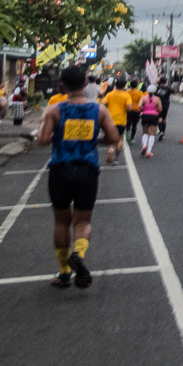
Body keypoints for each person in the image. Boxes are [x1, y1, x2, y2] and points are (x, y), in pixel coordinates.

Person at [37, 64, 120, 289]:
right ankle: (79, 253)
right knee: (83, 221)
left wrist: (59, 136)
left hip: (60, 170)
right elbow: (113, 137)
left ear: (62, 86)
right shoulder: (99, 111)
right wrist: (94, 140)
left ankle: (64, 271)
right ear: (86, 83)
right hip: (87, 170)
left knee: (61, 221)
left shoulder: (54, 110)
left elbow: (42, 140)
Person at [101, 78, 133, 165]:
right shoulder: (126, 95)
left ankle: (111, 149)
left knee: (111, 137)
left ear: (115, 85)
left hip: (110, 120)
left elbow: (103, 105)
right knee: (120, 139)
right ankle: (116, 158)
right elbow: (130, 108)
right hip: (121, 120)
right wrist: (124, 109)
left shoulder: (109, 94)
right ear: (124, 86)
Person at [136, 85, 162, 157]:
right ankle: (149, 151)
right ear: (155, 91)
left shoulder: (143, 98)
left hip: (145, 116)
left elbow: (139, 106)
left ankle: (144, 145)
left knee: (145, 132)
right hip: (154, 116)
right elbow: (160, 109)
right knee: (152, 133)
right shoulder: (157, 99)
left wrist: (143, 109)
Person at [154, 76, 173, 141]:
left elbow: (154, 95)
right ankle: (163, 132)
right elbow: (174, 91)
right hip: (166, 105)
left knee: (159, 118)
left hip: (158, 105)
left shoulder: (157, 88)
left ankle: (161, 131)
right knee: (164, 119)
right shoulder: (168, 88)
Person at [126, 78, 144, 143]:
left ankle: (127, 136)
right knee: (134, 124)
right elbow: (142, 101)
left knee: (128, 123)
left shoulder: (127, 92)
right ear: (137, 85)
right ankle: (132, 138)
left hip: (129, 109)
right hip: (137, 110)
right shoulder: (140, 93)